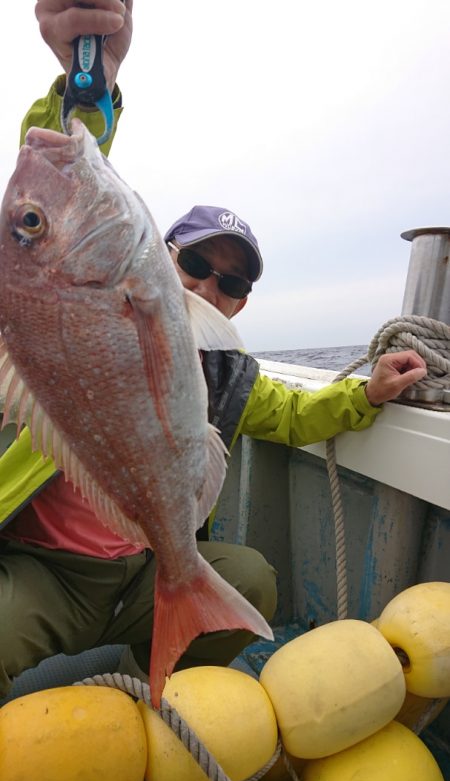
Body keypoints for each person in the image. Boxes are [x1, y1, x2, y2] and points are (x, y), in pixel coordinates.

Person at [0, 0, 427, 696]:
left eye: (231, 279)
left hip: (147, 568)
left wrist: (368, 392)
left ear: (243, 302)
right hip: (52, 569)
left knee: (253, 579)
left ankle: (152, 684)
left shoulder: (227, 374)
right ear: (159, 263)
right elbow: (49, 207)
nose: (210, 284)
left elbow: (291, 415)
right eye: (195, 265)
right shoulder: (71, 299)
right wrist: (86, 87)